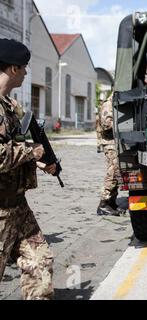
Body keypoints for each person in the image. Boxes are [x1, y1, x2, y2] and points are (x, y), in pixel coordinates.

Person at [0, 39, 55, 300]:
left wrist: (38, 161)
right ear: (13, 68)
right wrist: (30, 152)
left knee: (40, 261)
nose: (25, 73)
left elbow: (14, 145)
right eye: (24, 68)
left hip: (18, 206)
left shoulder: (10, 106)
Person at [97, 93, 124, 216]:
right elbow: (106, 125)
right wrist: (125, 124)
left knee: (117, 172)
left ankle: (111, 202)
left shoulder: (114, 104)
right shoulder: (108, 105)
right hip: (110, 143)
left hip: (115, 142)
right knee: (113, 172)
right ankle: (103, 203)